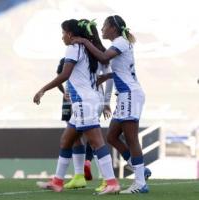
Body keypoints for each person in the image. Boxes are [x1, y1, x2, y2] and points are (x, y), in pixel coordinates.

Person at [33, 19, 120, 195]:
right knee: (66, 140)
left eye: (63, 32)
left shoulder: (73, 48)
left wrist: (43, 89)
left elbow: (65, 75)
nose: (62, 36)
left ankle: (111, 182)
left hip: (83, 102)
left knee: (96, 142)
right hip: (91, 100)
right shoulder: (90, 48)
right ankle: (57, 181)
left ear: (71, 34)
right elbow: (107, 72)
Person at [72, 15, 149, 193]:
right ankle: (140, 170)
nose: (102, 29)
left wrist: (84, 40)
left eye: (105, 26)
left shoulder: (121, 42)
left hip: (130, 94)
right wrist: (105, 77)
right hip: (125, 95)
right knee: (112, 137)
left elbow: (104, 58)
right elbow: (120, 69)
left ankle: (140, 182)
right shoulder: (120, 43)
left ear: (113, 28)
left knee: (131, 139)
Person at [62, 19, 114, 190]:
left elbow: (109, 76)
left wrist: (106, 102)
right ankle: (78, 175)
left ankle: (108, 180)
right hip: (83, 99)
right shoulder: (87, 50)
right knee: (75, 138)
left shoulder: (93, 51)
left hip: (89, 100)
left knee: (93, 140)